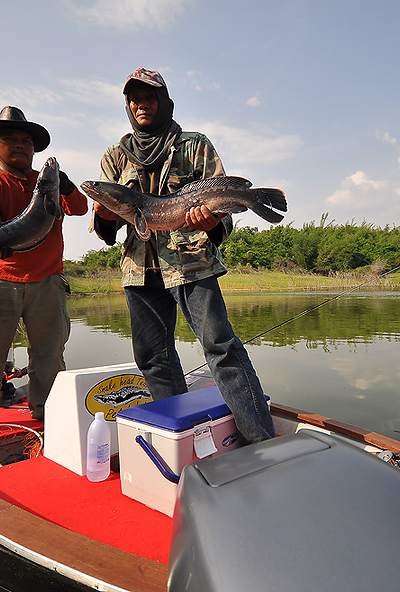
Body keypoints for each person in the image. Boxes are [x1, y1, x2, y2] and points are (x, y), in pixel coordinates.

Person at [89, 68, 275, 443]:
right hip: (139, 270)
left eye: (150, 98)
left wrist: (208, 222)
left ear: (165, 102)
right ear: (127, 106)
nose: (141, 104)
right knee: (153, 358)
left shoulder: (194, 144)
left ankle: (261, 441)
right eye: (134, 99)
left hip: (192, 264)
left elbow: (220, 215)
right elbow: (108, 229)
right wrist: (104, 213)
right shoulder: (113, 155)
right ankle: (181, 443)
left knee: (221, 349)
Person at [0, 106, 88, 438]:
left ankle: (49, 412)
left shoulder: (47, 184)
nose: (21, 145)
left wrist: (65, 187)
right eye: (11, 139)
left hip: (49, 280)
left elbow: (79, 208)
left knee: (50, 356)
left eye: (27, 140)